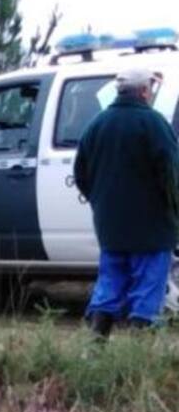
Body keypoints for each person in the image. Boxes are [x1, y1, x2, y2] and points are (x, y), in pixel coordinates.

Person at [74, 68, 179, 337]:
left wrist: (100, 202)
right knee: (148, 288)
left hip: (111, 228)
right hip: (152, 229)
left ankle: (96, 346)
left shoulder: (96, 125)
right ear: (144, 91)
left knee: (109, 284)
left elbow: (80, 174)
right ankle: (136, 353)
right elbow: (172, 175)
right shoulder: (154, 124)